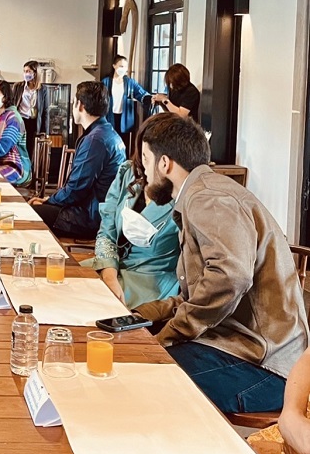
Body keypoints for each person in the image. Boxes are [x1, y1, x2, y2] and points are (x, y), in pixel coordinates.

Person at [134, 114, 309, 414]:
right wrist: (147, 314)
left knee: (145, 378)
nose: (144, 172)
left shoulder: (207, 197)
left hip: (265, 366)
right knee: (137, 361)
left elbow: (231, 277)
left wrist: (171, 332)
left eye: (146, 160)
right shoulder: (204, 192)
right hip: (239, 346)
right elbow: (205, 292)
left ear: (165, 164)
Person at [90, 115, 180, 307]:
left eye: (148, 156)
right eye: (143, 154)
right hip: (109, 267)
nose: (142, 162)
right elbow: (106, 229)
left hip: (151, 282)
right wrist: (109, 273)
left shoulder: (182, 196)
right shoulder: (128, 173)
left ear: (165, 161)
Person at [29, 81, 125, 239]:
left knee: (29, 212)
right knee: (35, 206)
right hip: (98, 210)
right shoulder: (107, 133)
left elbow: (76, 189)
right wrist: (50, 200)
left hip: (89, 217)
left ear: (80, 105)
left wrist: (49, 201)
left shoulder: (95, 140)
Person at [101, 54, 152, 150]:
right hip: (109, 116)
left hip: (125, 117)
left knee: (124, 144)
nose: (123, 69)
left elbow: (141, 93)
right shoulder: (105, 82)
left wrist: (150, 99)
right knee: (109, 142)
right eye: (121, 66)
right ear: (114, 66)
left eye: (125, 67)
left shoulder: (130, 82)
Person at [12, 60, 48, 159]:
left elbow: (45, 111)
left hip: (33, 122)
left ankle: (28, 168)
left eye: (28, 71)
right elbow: (12, 104)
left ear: (35, 73)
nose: (26, 73)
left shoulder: (43, 89)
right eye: (24, 71)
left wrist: (44, 131)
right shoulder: (18, 86)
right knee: (17, 148)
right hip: (20, 120)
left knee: (29, 150)